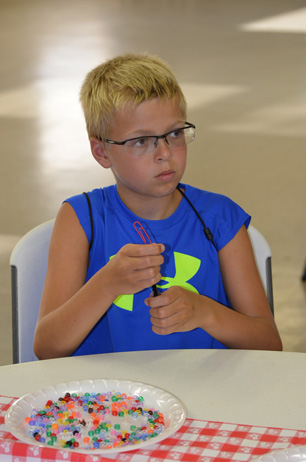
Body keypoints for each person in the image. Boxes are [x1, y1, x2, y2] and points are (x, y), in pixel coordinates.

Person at [33, 53, 282, 359]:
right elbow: (47, 348)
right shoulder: (81, 218)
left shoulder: (220, 218)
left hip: (210, 396)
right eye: (141, 141)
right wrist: (106, 285)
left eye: (174, 133)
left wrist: (206, 312)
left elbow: (269, 344)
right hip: (108, 399)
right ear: (101, 151)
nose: (165, 153)